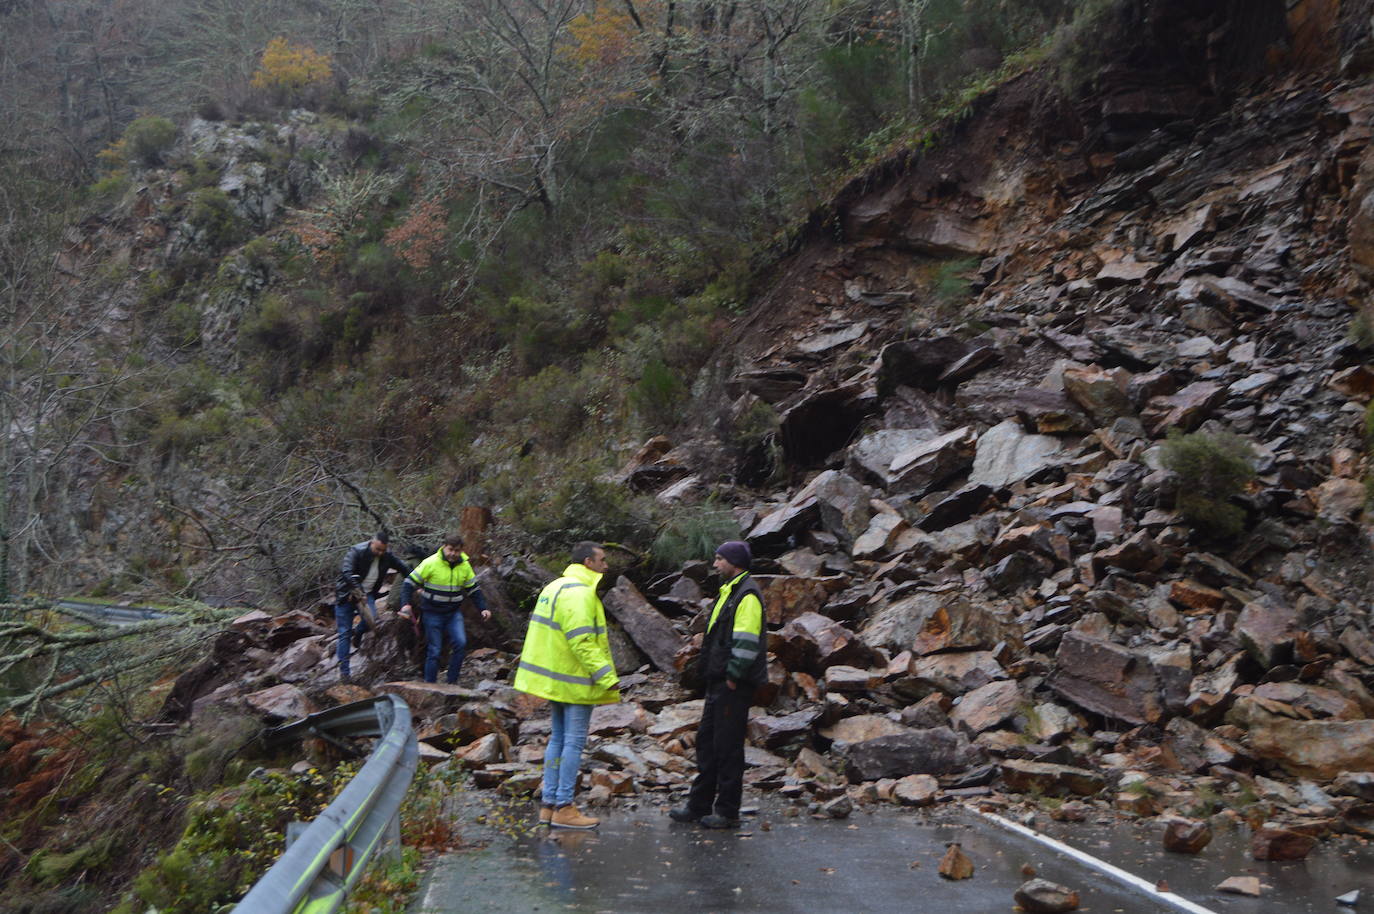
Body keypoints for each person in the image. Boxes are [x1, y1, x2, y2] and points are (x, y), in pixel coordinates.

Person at [513, 541, 619, 829]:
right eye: (602, 560)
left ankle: (549, 805)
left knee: (557, 740)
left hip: (555, 678)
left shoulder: (554, 587)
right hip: (575, 680)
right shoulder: (581, 593)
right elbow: (582, 640)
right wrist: (607, 677)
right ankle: (564, 806)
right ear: (588, 562)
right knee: (572, 742)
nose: (606, 565)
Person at [670, 540, 766, 829]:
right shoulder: (731, 591)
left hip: (732, 684)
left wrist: (734, 675)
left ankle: (727, 811)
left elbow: (746, 640)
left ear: (734, 563)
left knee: (727, 746)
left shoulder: (746, 594)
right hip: (719, 681)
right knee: (708, 743)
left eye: (719, 559)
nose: (715, 564)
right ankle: (698, 806)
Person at [400, 532, 491, 684]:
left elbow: (473, 590)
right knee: (434, 650)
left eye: (457, 551)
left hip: (453, 613)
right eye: (450, 550)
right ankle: (430, 686)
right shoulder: (431, 563)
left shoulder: (464, 565)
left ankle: (452, 683)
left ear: (462, 550)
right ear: (444, 547)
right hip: (432, 612)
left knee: (460, 644)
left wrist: (483, 608)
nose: (453, 554)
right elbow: (409, 583)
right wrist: (405, 604)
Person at [335, 531, 411, 680]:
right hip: (347, 594)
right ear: (372, 543)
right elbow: (346, 572)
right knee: (344, 633)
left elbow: (404, 569)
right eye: (377, 549)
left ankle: (358, 633)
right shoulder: (356, 551)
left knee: (372, 620)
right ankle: (344, 673)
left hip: (367, 594)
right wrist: (358, 590)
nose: (380, 553)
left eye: (383, 550)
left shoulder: (387, 556)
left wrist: (418, 581)